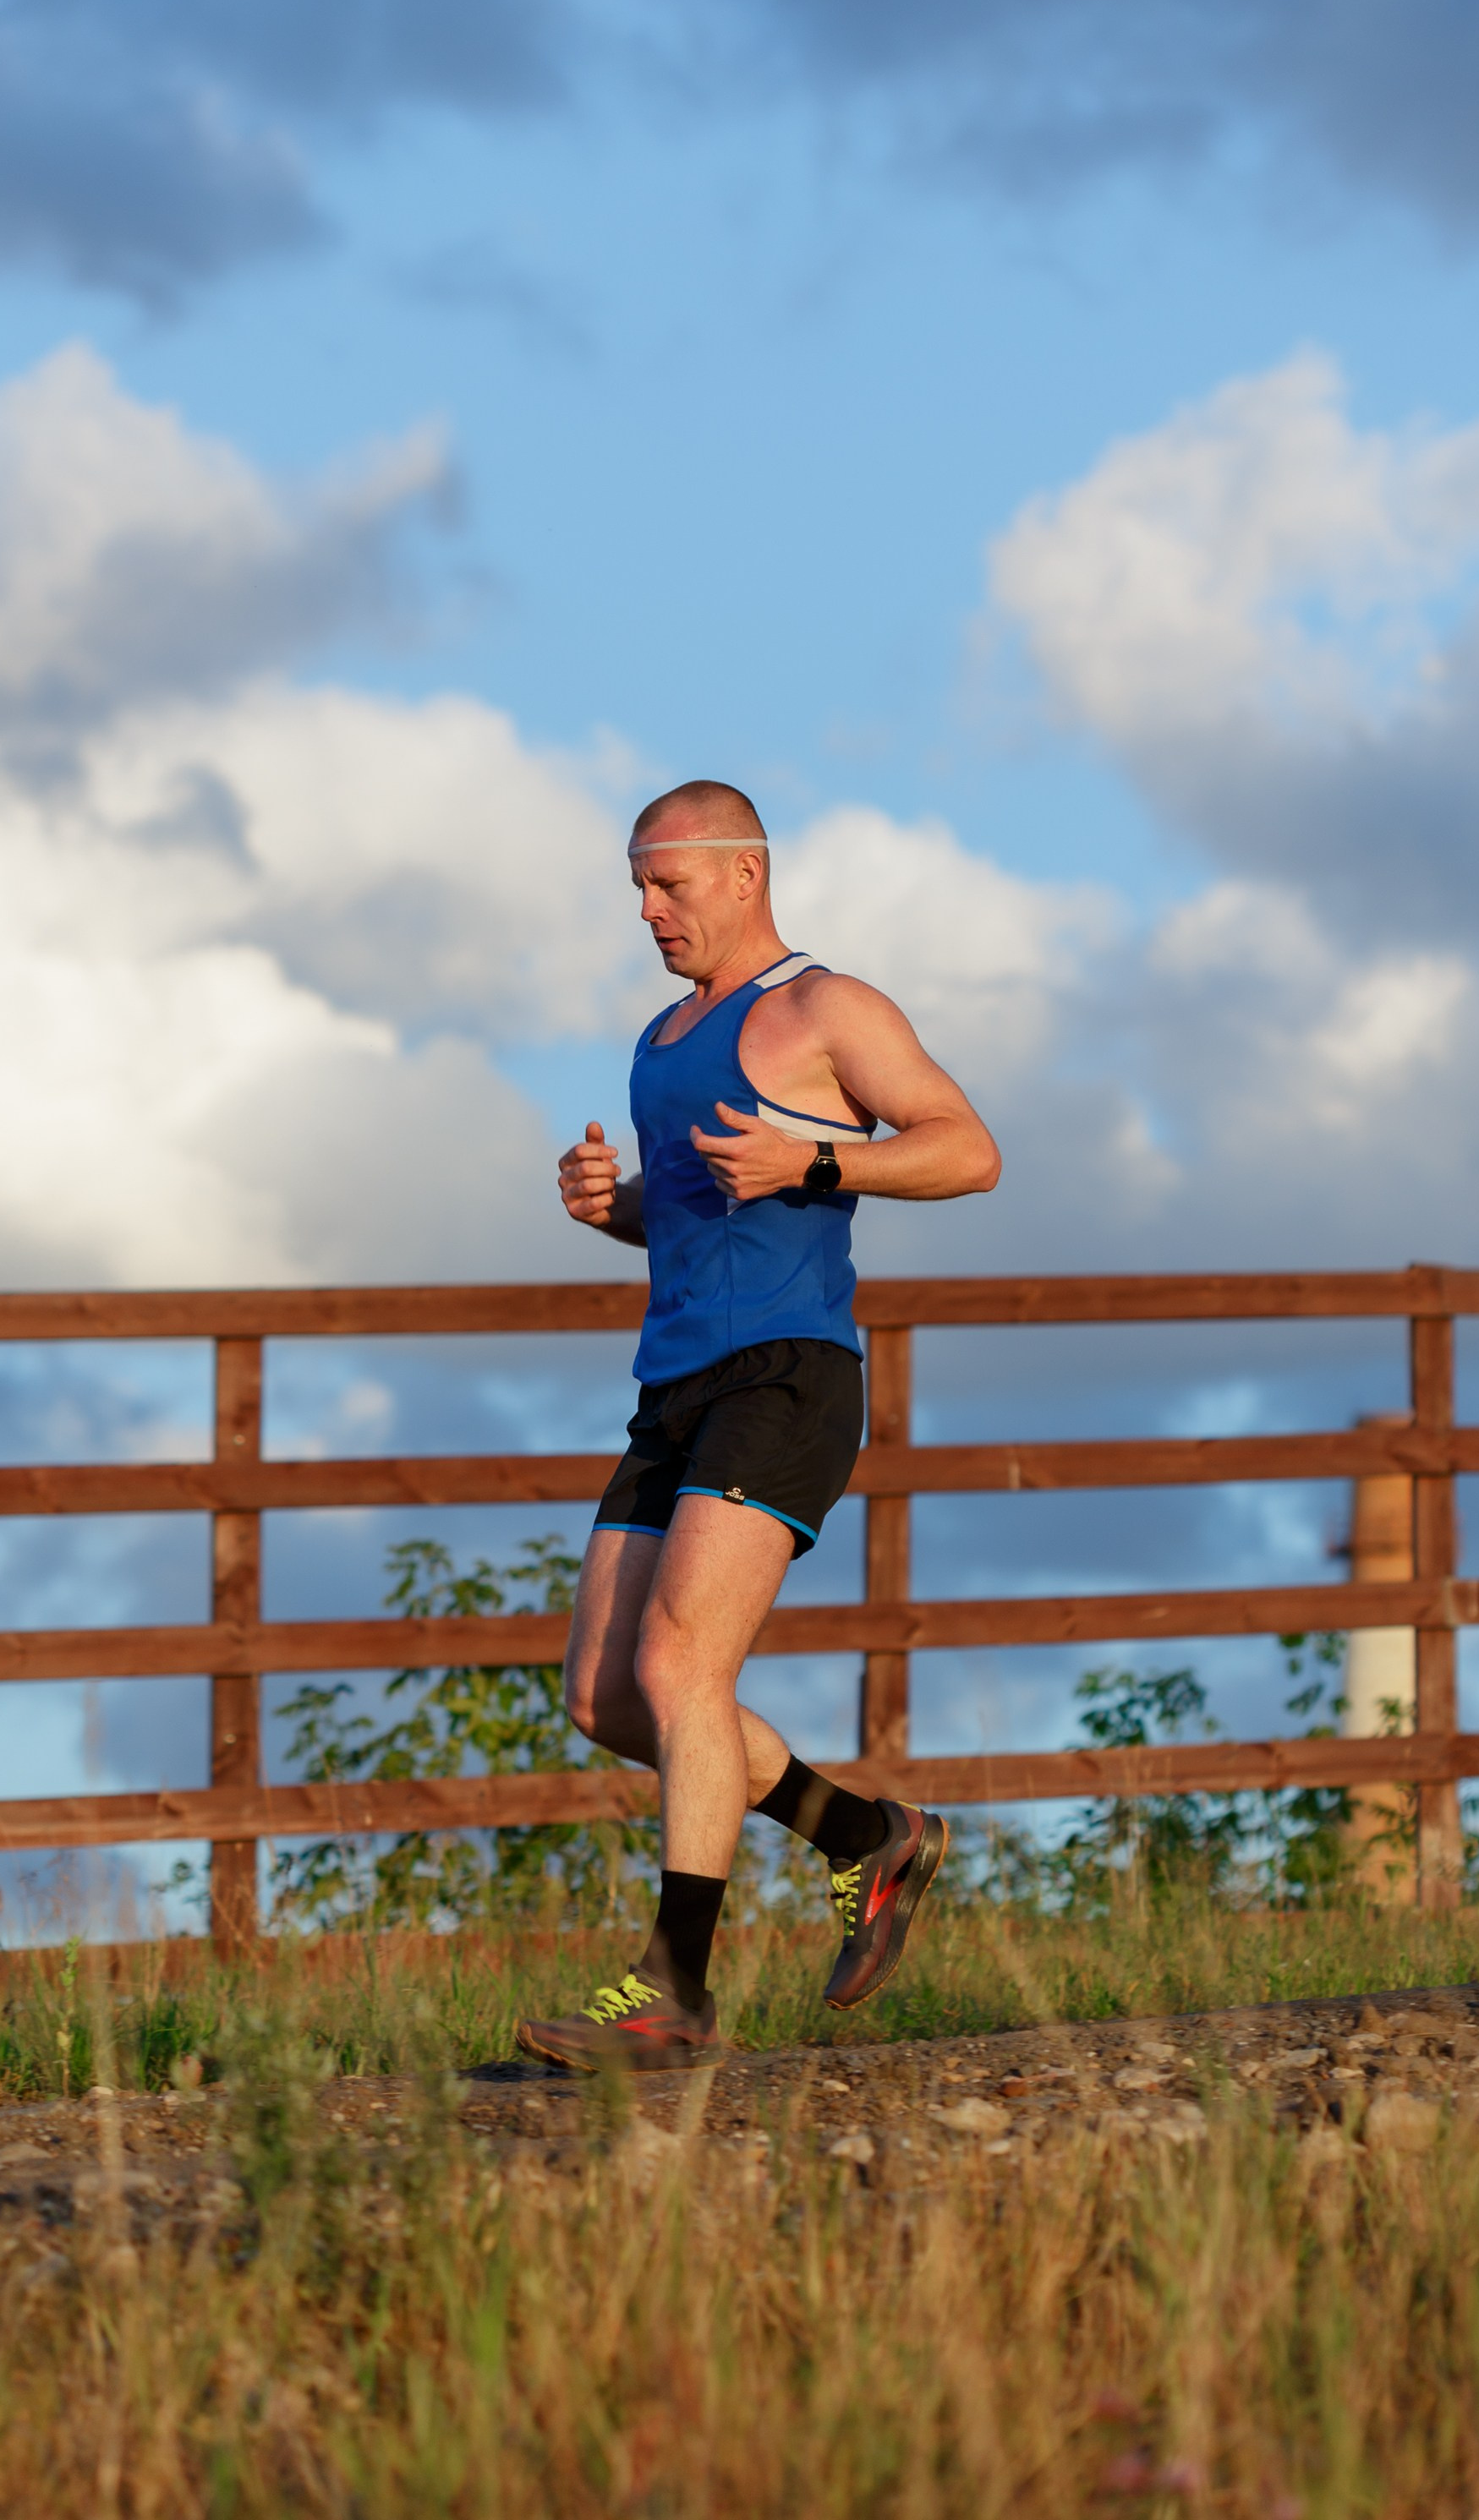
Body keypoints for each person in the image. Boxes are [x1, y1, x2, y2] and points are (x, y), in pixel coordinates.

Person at [515, 780, 1000, 2069]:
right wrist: (608, 1209)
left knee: (682, 1667)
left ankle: (676, 1992)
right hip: (672, 1385)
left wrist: (822, 1161)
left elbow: (966, 1150)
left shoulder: (827, 1009)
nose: (647, 906)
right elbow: (691, 1221)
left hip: (788, 1375)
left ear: (744, 874)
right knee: (607, 1698)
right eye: (635, 883)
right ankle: (864, 1839)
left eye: (668, 881)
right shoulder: (659, 1043)